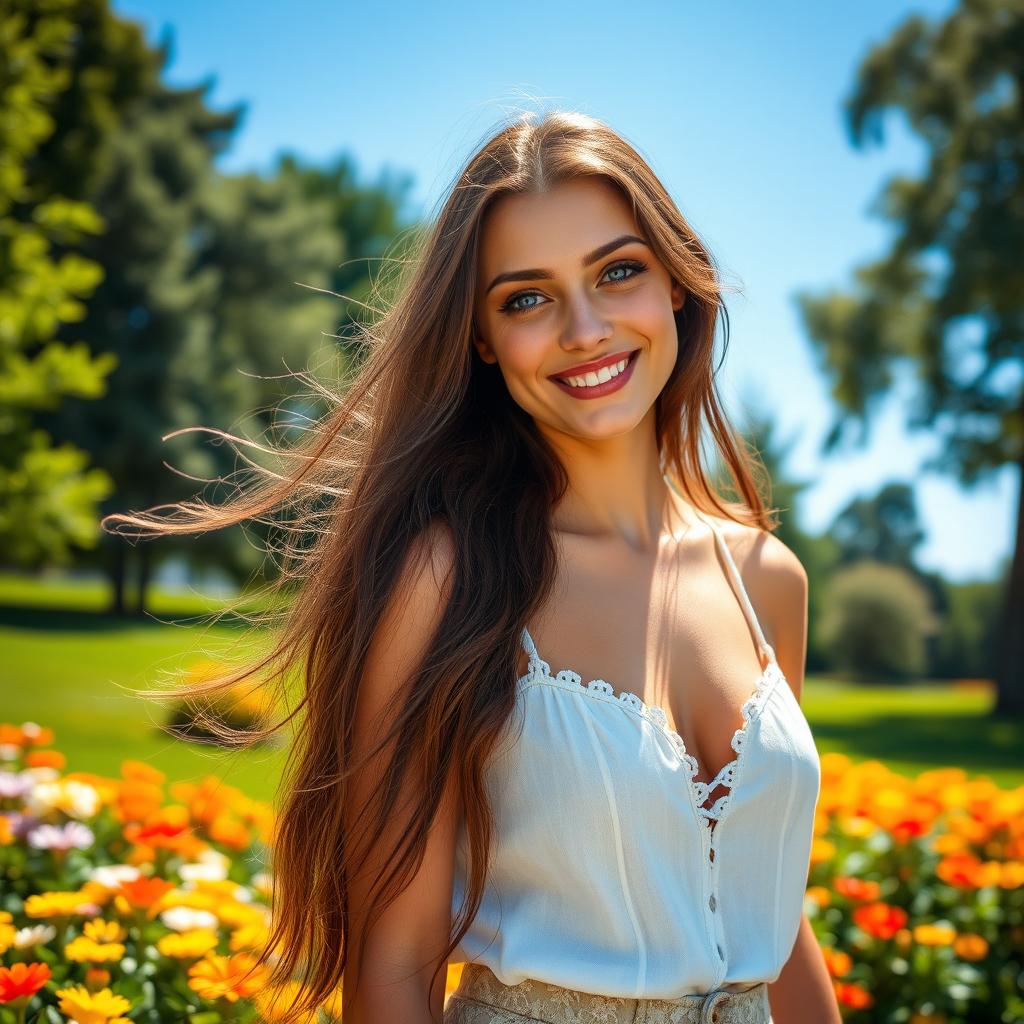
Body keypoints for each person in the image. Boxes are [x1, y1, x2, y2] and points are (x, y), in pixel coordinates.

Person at [103, 109, 841, 1024]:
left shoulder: (767, 577)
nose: (585, 328)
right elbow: (394, 963)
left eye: (619, 272)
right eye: (527, 298)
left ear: (678, 287)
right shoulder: (447, 578)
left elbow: (774, 917)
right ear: (483, 338)